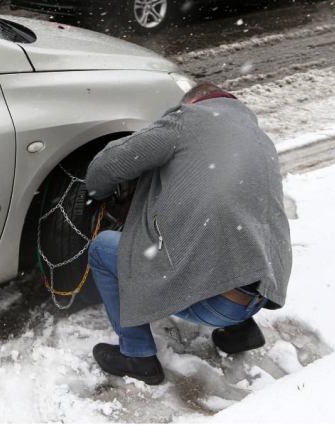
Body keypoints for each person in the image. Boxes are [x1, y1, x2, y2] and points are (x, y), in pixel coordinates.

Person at [84, 83, 292, 385]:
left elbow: (108, 166)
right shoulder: (259, 140)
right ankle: (240, 331)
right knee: (233, 224)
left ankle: (137, 356)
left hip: (216, 303)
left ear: (192, 103)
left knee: (102, 249)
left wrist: (97, 192)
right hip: (260, 292)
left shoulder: (186, 119)